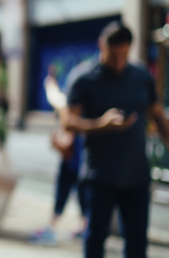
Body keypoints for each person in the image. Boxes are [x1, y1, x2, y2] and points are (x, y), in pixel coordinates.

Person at [65, 22, 169, 258]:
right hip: (99, 177)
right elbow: (68, 122)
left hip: (136, 176)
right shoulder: (83, 78)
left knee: (136, 244)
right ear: (101, 46)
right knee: (95, 241)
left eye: (124, 54)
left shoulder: (141, 76)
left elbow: (159, 117)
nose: (120, 61)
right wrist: (100, 124)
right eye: (114, 55)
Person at [30, 60, 93, 246]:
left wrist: (50, 83)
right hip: (74, 156)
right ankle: (78, 225)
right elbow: (54, 96)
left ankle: (66, 225)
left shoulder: (72, 100)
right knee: (73, 190)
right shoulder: (73, 97)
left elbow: (54, 97)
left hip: (76, 156)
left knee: (73, 190)